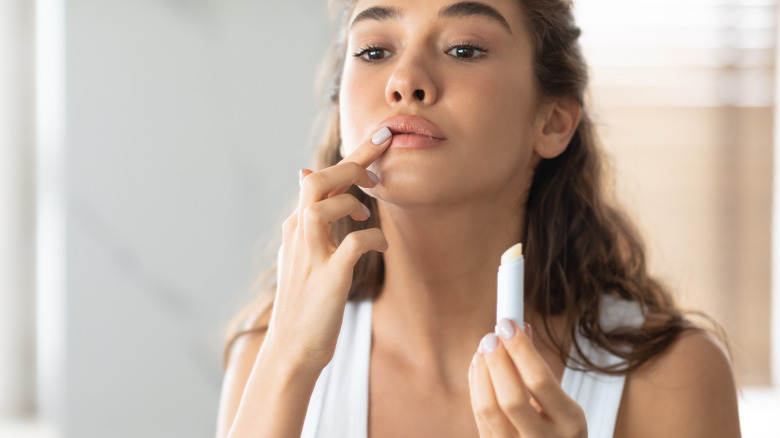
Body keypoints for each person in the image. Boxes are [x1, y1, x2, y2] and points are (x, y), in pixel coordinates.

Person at [216, 0, 742, 437]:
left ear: (553, 122)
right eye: (375, 50)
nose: (405, 81)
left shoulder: (673, 377)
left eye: (463, 49)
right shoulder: (268, 353)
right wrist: (286, 364)